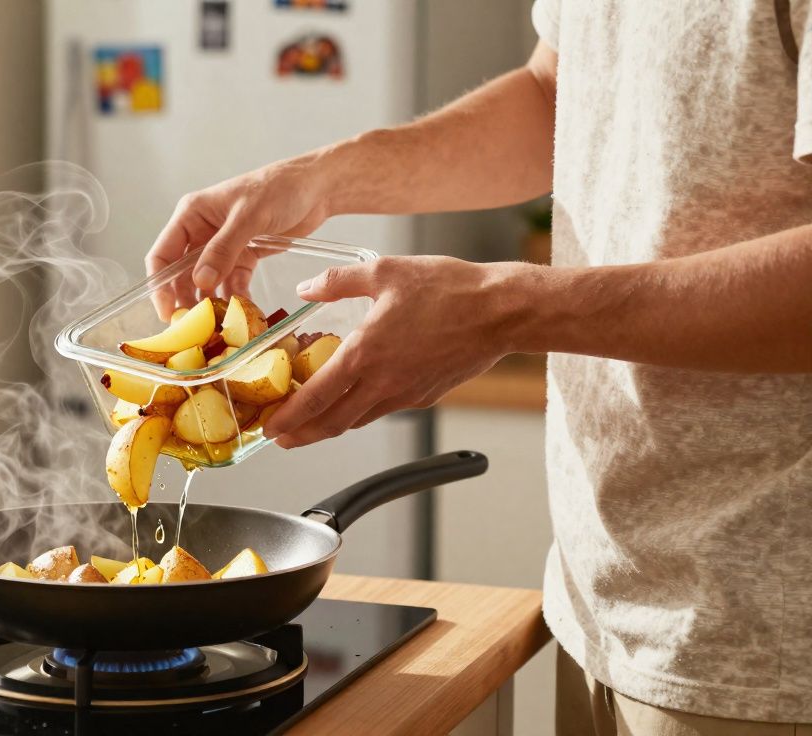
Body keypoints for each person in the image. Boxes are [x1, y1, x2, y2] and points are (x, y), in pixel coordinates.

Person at [147, 3, 812, 734]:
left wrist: (506, 308)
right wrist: (320, 178)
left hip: (769, 645)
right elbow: (553, 95)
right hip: (599, 602)